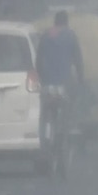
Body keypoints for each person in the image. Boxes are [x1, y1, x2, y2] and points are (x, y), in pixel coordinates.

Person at [36, 10, 84, 149]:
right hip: (64, 83)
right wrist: (81, 79)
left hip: (47, 84)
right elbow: (78, 60)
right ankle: (71, 126)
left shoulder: (45, 35)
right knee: (72, 101)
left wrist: (41, 77)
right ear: (66, 22)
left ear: (55, 22)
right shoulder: (70, 35)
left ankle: (45, 135)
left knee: (45, 111)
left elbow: (38, 60)